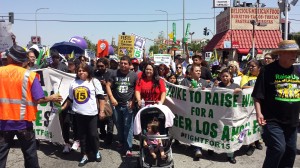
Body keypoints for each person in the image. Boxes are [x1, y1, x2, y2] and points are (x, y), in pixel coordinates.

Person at [0, 45, 62, 168]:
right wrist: (52, 97)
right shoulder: (30, 76)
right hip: (24, 124)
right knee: (30, 156)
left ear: (10, 58)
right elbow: (39, 98)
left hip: (3, 123)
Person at [252, 40, 300, 168]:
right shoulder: (267, 71)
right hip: (272, 121)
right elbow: (257, 95)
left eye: (296, 53)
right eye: (291, 53)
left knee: (290, 153)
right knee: (278, 149)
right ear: (281, 53)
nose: (295, 55)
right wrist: (259, 113)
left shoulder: (298, 71)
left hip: (292, 122)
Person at [62, 63, 105, 166]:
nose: (81, 72)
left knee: (93, 134)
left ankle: (96, 151)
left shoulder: (94, 82)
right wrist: (62, 108)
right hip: (78, 114)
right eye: (79, 70)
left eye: (83, 70)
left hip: (92, 114)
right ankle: (84, 155)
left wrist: (102, 111)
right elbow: (70, 99)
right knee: (82, 136)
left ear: (88, 71)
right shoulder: (74, 83)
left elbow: (101, 97)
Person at [106, 56, 137, 156]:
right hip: (116, 105)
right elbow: (108, 85)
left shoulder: (134, 75)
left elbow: (137, 90)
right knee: (119, 125)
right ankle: (121, 141)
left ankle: (128, 148)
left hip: (128, 105)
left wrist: (133, 101)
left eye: (125, 63)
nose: (123, 65)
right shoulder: (114, 73)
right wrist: (111, 98)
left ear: (129, 65)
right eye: (121, 63)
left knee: (128, 126)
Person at [180, 64, 209, 159]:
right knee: (191, 128)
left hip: (201, 111)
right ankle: (193, 145)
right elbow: (180, 93)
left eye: (199, 71)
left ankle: (198, 148)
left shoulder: (204, 82)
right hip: (189, 109)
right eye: (196, 71)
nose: (199, 72)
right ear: (191, 72)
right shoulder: (185, 81)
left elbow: (211, 93)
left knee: (199, 129)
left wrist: (207, 90)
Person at [215, 68, 242, 164]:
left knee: (231, 135)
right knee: (218, 132)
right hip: (220, 114)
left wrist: (239, 90)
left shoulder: (235, 86)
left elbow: (242, 94)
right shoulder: (218, 85)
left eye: (227, 76)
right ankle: (213, 149)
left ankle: (230, 155)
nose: (225, 78)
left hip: (232, 115)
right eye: (223, 76)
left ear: (231, 77)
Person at [240, 59, 263, 156]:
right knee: (250, 125)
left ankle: (257, 140)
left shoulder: (263, 76)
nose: (250, 68)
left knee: (259, 124)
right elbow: (243, 87)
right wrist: (257, 88)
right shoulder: (246, 77)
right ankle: (251, 144)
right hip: (249, 106)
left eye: (253, 66)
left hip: (262, 105)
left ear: (259, 68)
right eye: (249, 66)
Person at [94, 58, 114, 145]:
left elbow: (113, 86)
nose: (100, 68)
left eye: (102, 66)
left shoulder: (110, 73)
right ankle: (102, 133)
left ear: (106, 65)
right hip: (97, 97)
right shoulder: (95, 73)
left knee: (109, 117)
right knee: (100, 116)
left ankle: (109, 136)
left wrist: (105, 84)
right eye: (98, 66)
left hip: (107, 97)